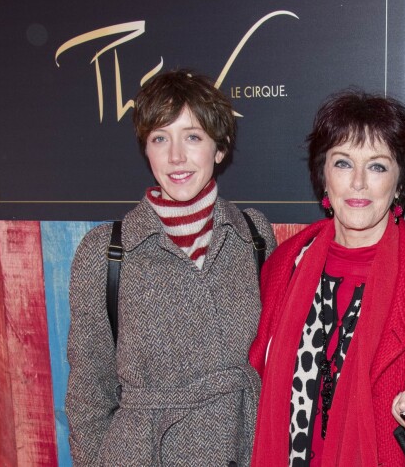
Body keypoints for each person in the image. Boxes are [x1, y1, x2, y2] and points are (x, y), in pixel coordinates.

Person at [65, 69, 277, 466]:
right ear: (146, 150)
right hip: (144, 454)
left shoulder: (254, 235)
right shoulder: (106, 252)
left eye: (192, 137)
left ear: (219, 148)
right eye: (160, 138)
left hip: (240, 447)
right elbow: (89, 393)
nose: (176, 156)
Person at [249, 90, 405, 466]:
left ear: (401, 183)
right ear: (323, 176)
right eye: (343, 163)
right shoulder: (285, 264)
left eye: (377, 166)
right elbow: (254, 381)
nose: (358, 183)